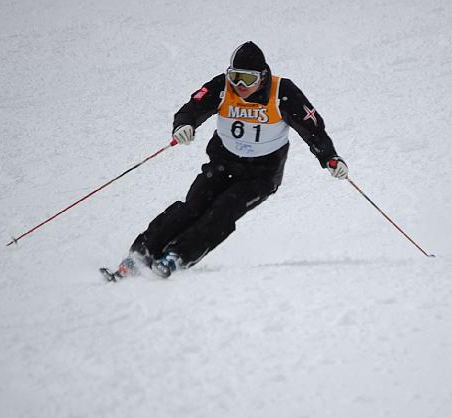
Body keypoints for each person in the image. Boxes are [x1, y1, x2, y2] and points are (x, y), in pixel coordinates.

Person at [117, 41, 349, 279]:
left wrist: (330, 157)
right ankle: (144, 251)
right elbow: (192, 108)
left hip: (261, 174)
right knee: (194, 206)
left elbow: (313, 129)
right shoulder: (222, 86)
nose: (240, 85)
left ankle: (179, 255)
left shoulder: (283, 92)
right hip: (223, 163)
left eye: (248, 79)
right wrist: (184, 124)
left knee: (223, 211)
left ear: (262, 77)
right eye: (235, 76)